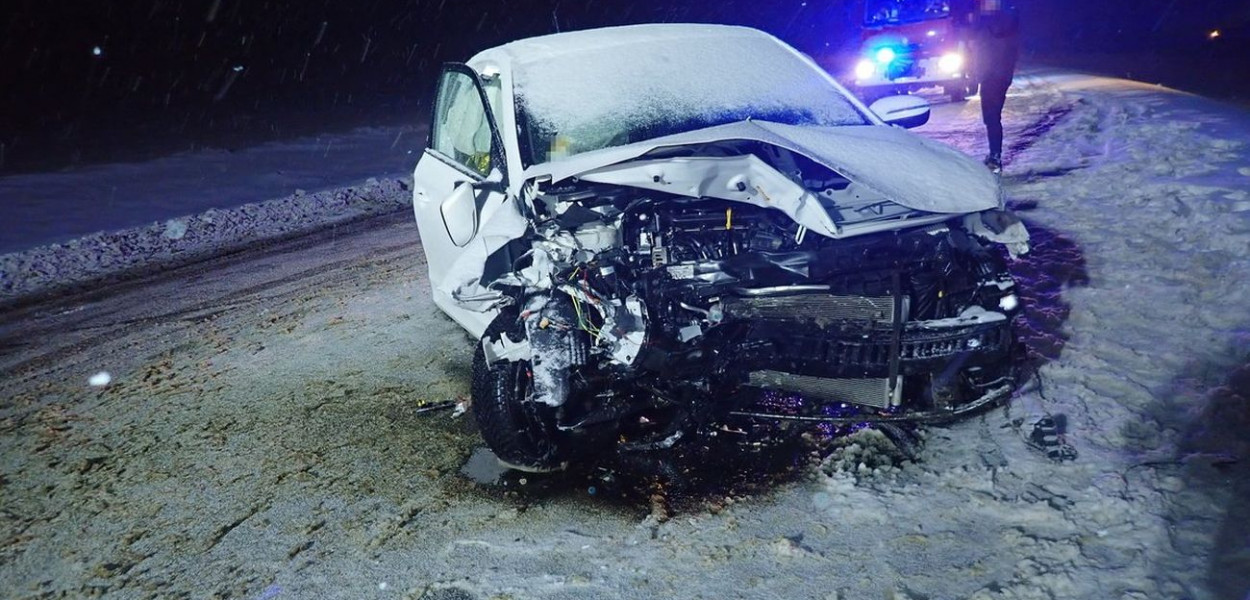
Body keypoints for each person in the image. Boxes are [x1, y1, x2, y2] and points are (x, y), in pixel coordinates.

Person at [968, 0, 1020, 173]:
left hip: (994, 76)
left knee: (991, 117)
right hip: (995, 75)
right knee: (991, 117)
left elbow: (991, 44)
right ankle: (994, 155)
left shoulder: (997, 21)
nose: (984, 4)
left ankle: (995, 157)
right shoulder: (1000, 21)